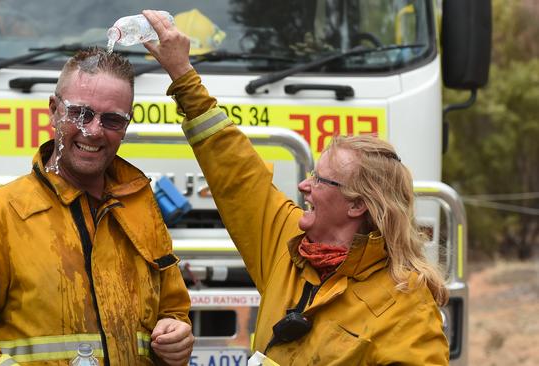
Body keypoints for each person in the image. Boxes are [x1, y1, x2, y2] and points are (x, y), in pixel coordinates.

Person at [142, 9, 449, 365]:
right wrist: (183, 75)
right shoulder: (288, 247)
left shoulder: (407, 305)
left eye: (320, 179)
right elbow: (238, 172)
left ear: (356, 205)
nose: (304, 185)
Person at [0, 48, 194, 366]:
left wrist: (176, 336)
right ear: (54, 110)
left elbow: (172, 310)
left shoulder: (141, 210)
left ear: (125, 125)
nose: (93, 130)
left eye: (112, 120)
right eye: (81, 113)